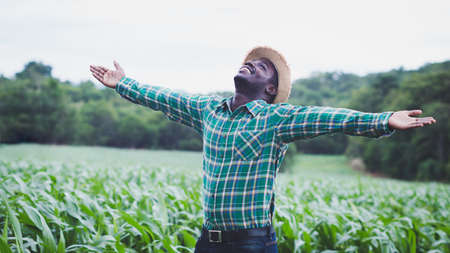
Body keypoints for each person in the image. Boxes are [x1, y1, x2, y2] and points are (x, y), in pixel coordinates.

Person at [89, 46, 436, 253]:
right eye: (251, 61)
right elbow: (164, 97)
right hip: (208, 242)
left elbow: (328, 117)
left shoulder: (275, 119)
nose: (252, 63)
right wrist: (123, 83)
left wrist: (385, 119)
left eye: (263, 67)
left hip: (250, 244)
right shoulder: (209, 111)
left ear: (270, 88)